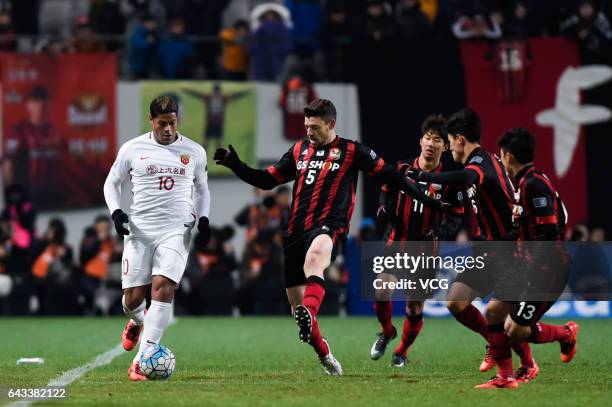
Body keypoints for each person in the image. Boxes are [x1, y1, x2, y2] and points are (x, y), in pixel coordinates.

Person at [214, 98, 446, 376]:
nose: (309, 132)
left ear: (331, 124)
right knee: (297, 312)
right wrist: (235, 164)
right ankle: (324, 352)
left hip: (330, 226)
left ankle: (315, 317)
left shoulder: (352, 151)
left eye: (314, 127)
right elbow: (268, 179)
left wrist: (425, 198)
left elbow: (392, 177)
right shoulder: (299, 150)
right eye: (306, 126)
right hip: (295, 233)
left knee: (316, 259)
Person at [103, 95, 211, 381]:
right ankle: (137, 321)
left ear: (178, 121)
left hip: (176, 229)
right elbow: (112, 182)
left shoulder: (194, 152)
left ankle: (143, 359)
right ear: (151, 120)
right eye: (162, 123)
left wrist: (204, 218)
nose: (168, 129)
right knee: (132, 299)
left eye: (172, 123)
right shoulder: (132, 149)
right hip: (139, 229)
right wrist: (116, 212)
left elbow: (202, 189)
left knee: (163, 286)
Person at [416, 108, 520, 388]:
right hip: (487, 249)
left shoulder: (480, 164)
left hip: (510, 248)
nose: (448, 149)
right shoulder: (480, 162)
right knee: (456, 300)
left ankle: (551, 345)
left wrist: (426, 178)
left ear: (460, 139)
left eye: (449, 142)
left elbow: (466, 179)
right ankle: (496, 348)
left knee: (512, 322)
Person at [371, 114, 464, 367]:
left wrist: (440, 232)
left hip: (425, 251)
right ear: (420, 140)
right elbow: (385, 190)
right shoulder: (402, 169)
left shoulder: (450, 181)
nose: (431, 143)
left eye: (437, 140)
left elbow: (456, 217)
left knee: (414, 308)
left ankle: (401, 351)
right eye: (427, 138)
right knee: (381, 290)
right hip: (396, 241)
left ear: (445, 147)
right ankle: (387, 331)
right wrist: (382, 208)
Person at [498, 128, 578, 383]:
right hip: (532, 268)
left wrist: (532, 275)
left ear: (508, 156)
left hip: (548, 272)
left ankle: (565, 334)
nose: (501, 161)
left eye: (501, 156)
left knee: (516, 330)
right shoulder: (528, 182)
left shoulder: (534, 185)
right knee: (503, 320)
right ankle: (558, 339)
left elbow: (549, 233)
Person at [2, 87, 63, 209]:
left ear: (49, 104)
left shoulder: (55, 131)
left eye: (43, 101)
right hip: (28, 193)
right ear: (28, 105)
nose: (40, 106)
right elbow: (8, 164)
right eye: (35, 102)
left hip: (53, 194)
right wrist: (11, 194)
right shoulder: (19, 131)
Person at [182, 83, 251, 152]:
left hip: (216, 123)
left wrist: (246, 92)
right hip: (213, 122)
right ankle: (203, 156)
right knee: (208, 142)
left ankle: (218, 156)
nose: (216, 93)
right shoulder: (214, 98)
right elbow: (198, 95)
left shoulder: (218, 98)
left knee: (215, 142)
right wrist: (187, 90)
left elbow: (235, 96)